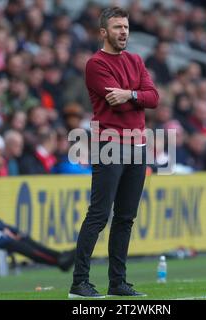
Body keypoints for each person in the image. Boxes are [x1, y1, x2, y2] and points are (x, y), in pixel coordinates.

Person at [69, 7, 159, 298]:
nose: (124, 32)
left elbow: (153, 98)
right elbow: (114, 100)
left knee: (125, 218)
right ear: (104, 32)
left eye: (126, 27)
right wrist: (136, 96)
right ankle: (79, 282)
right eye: (118, 27)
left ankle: (117, 282)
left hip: (138, 145)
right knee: (98, 215)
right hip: (110, 144)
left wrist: (131, 94)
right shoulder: (95, 64)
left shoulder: (136, 60)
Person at [0, 164, 75, 272]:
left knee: (23, 237)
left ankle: (60, 256)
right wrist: (3, 229)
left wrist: (10, 229)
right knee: (22, 246)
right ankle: (58, 262)